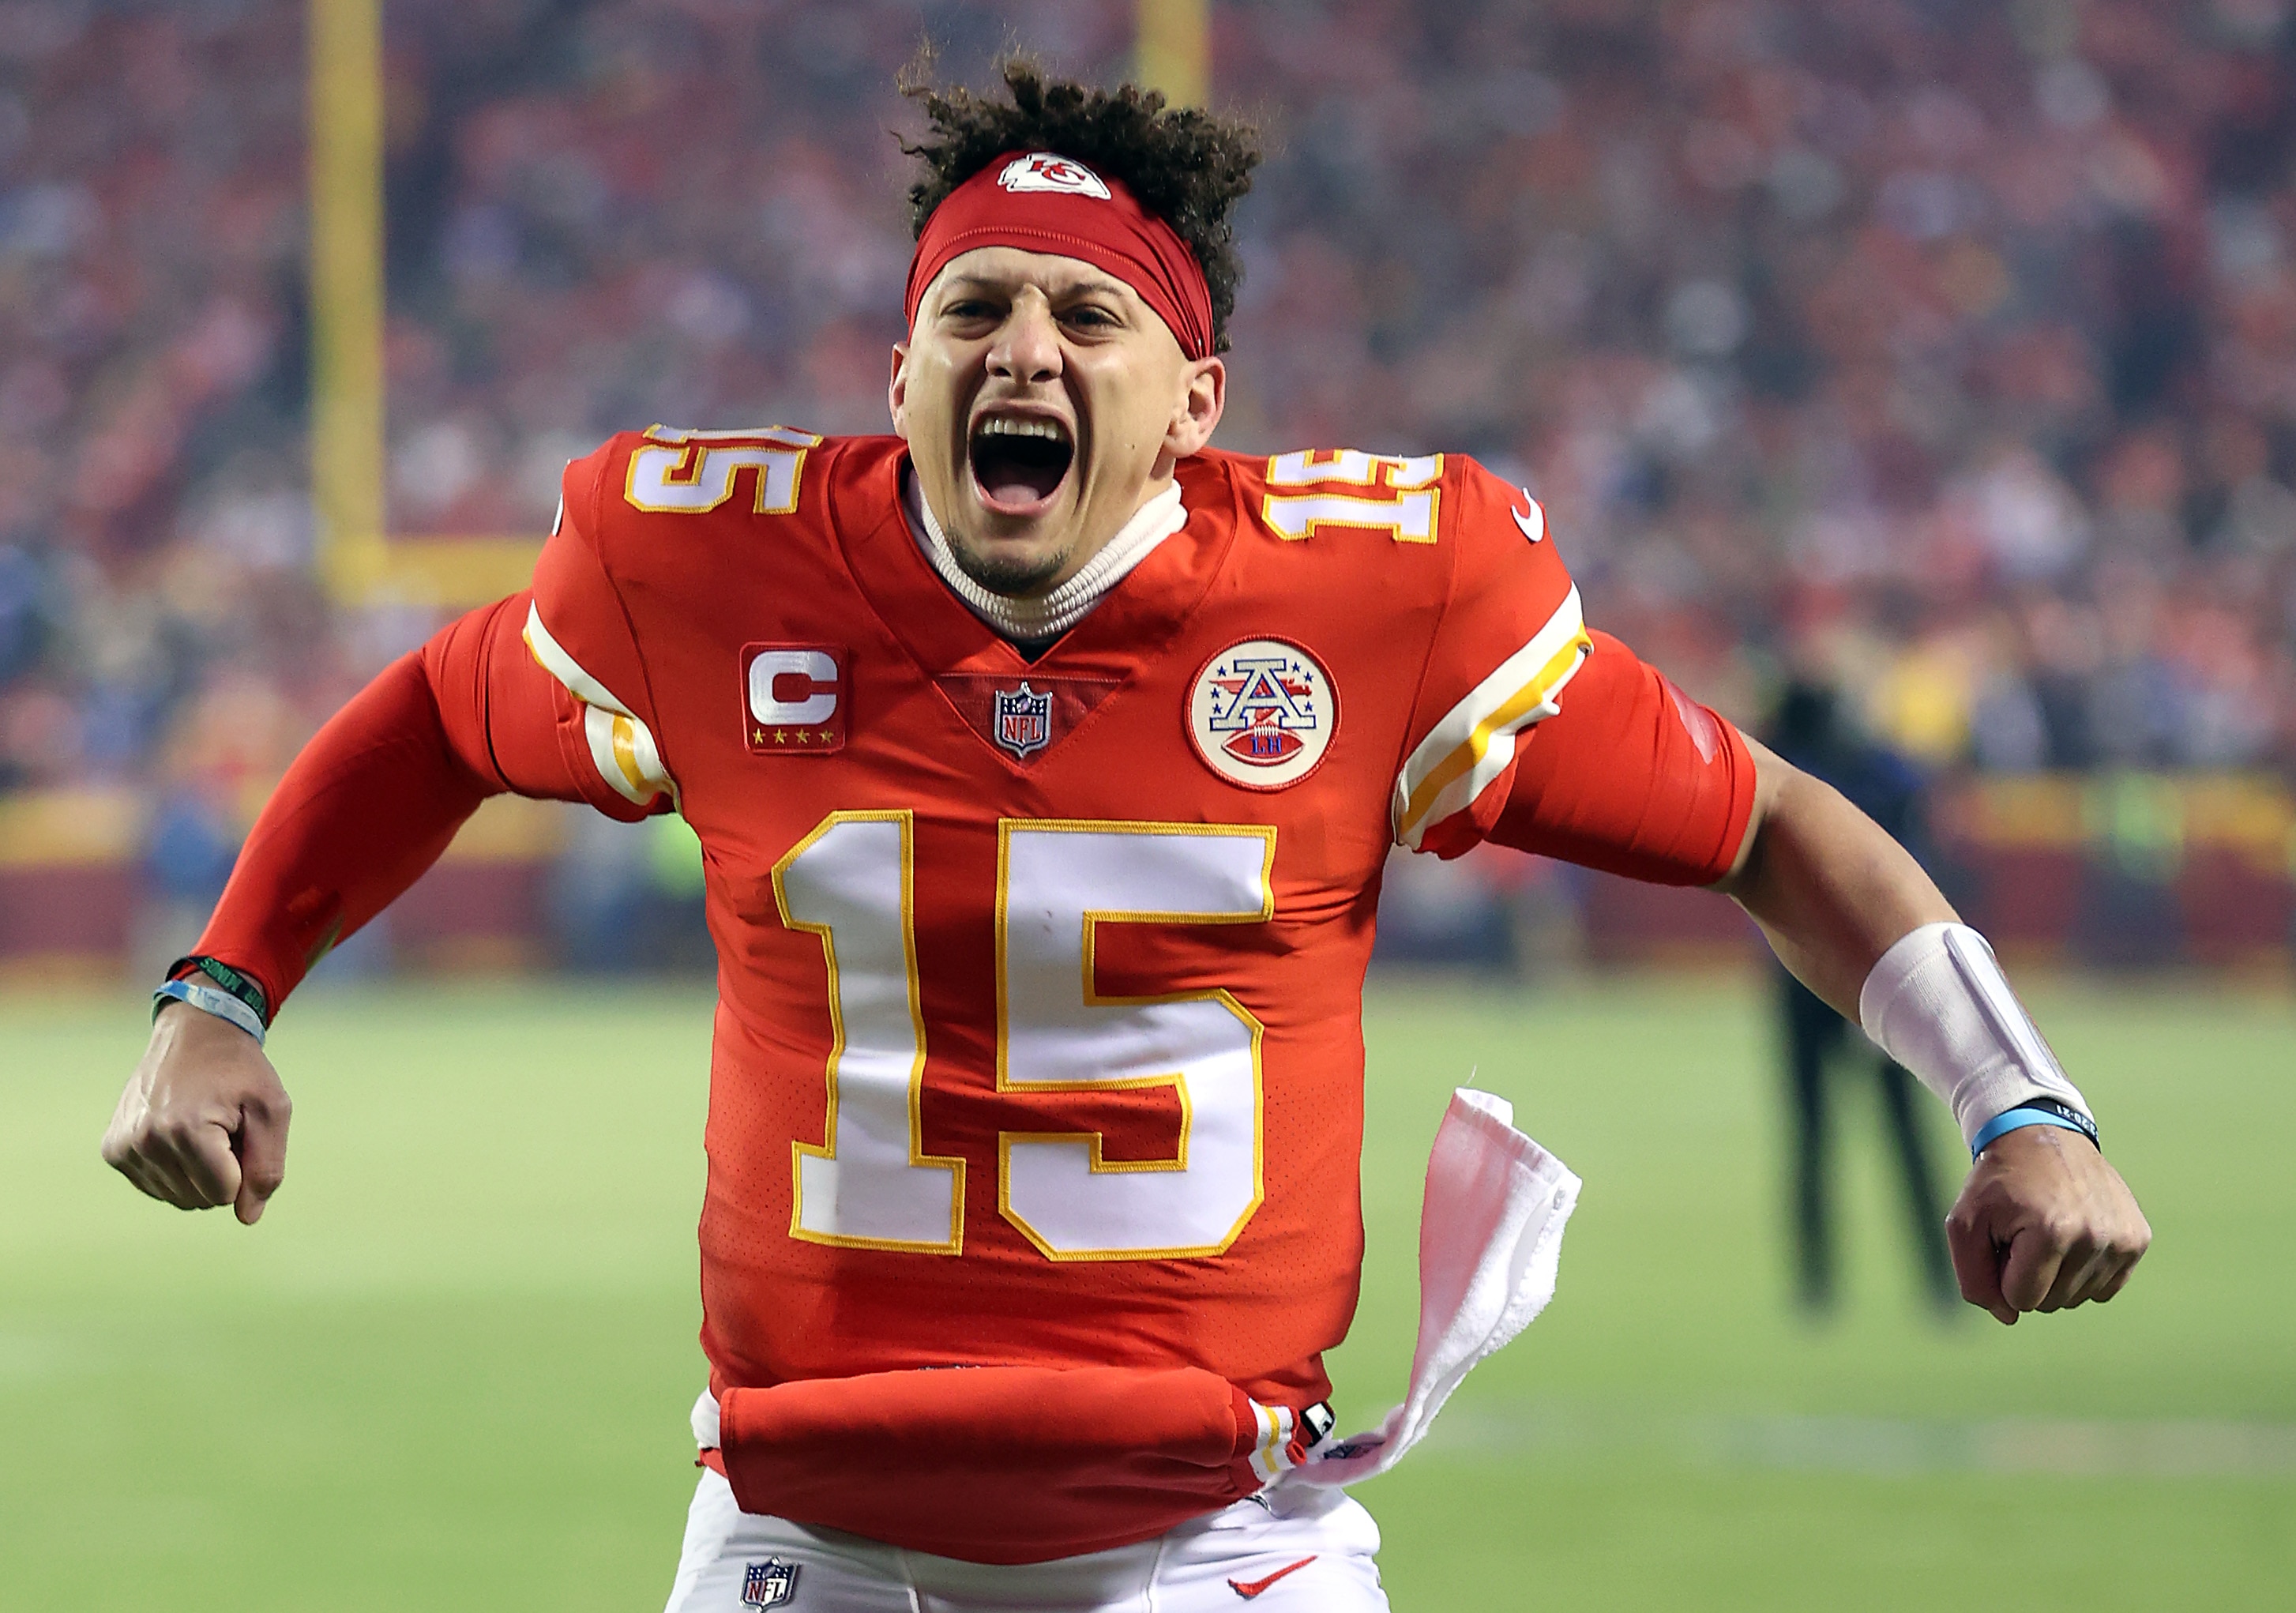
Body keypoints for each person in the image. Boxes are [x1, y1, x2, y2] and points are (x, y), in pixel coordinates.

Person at [100, 67, 2149, 1612]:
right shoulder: (706, 573)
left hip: (1212, 1543)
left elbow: (1763, 821)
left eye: (1090, 320)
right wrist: (220, 990)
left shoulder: (1381, 597)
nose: (1024, 351)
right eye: (976, 305)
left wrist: (2014, 1099)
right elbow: (441, 715)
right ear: (895, 369)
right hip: (807, 1524)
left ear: (1196, 399)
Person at [1765, 679, 1957, 1314]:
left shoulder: (1787, 771)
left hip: (1802, 975)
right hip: (1886, 971)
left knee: (1813, 1135)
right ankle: (1940, 1279)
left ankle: (1816, 1284)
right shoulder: (1881, 773)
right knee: (1903, 1130)